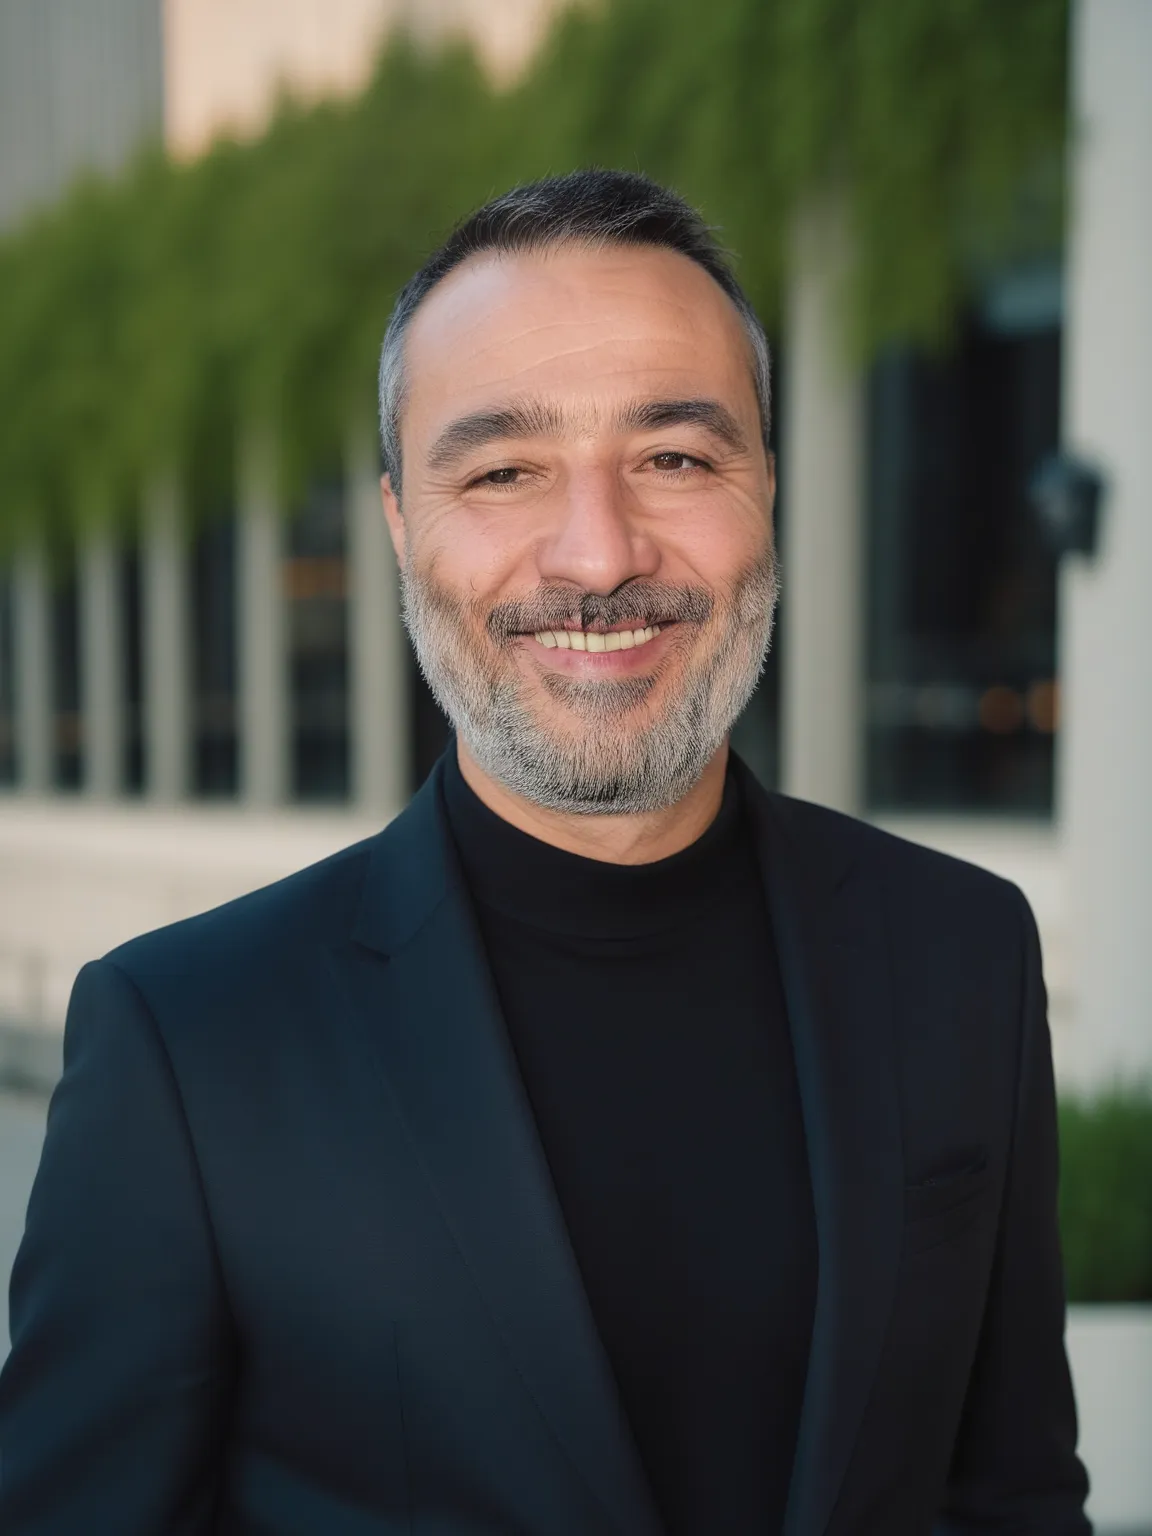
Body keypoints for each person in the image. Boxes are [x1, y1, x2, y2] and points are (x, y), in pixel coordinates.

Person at [0, 169, 1090, 1536]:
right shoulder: (186, 1041)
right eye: (504, 472)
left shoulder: (962, 954)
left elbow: (1014, 1499)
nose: (597, 556)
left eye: (675, 458)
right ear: (401, 524)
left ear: (766, 488)